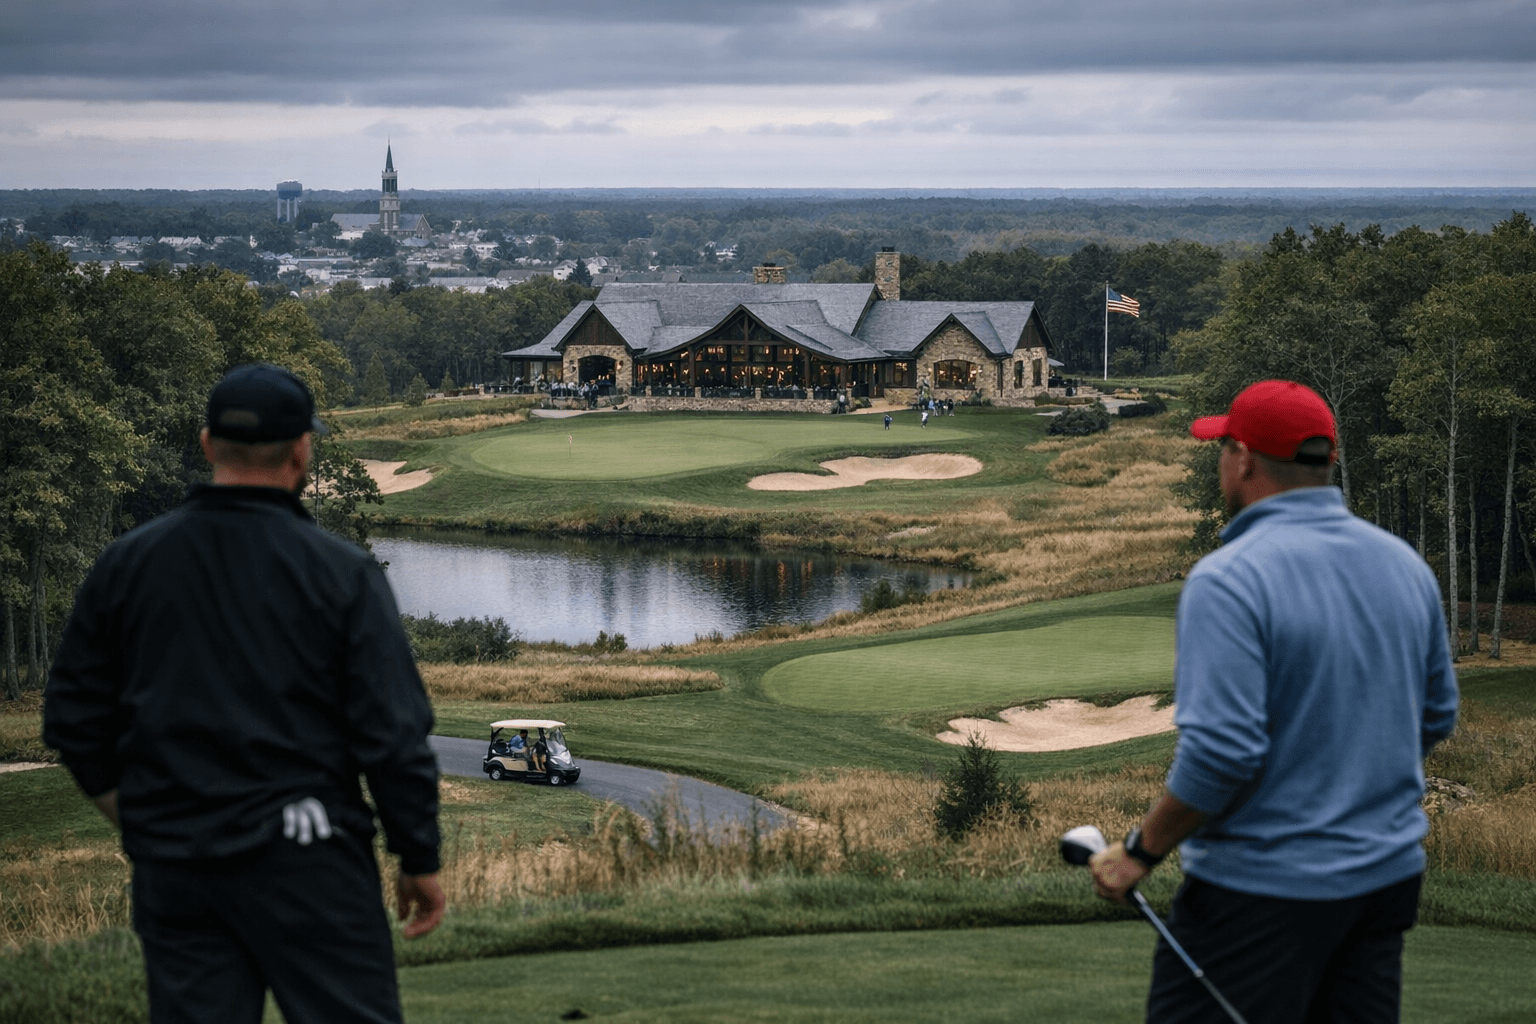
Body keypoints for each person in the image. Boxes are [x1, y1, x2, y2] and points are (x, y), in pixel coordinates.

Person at [44, 363, 445, 1024]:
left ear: (206, 446)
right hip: (311, 859)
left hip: (178, 869)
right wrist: (418, 855)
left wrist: (143, 822)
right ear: (301, 450)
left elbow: (73, 721)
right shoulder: (341, 574)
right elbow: (393, 733)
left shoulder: (128, 564)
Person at [1089, 379, 1458, 1024]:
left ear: (1245, 460)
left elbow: (1221, 755)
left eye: (1222, 448)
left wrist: (1140, 851)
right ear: (1329, 462)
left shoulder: (1231, 577)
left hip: (1260, 894)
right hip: (1385, 883)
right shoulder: (1405, 565)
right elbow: (1434, 716)